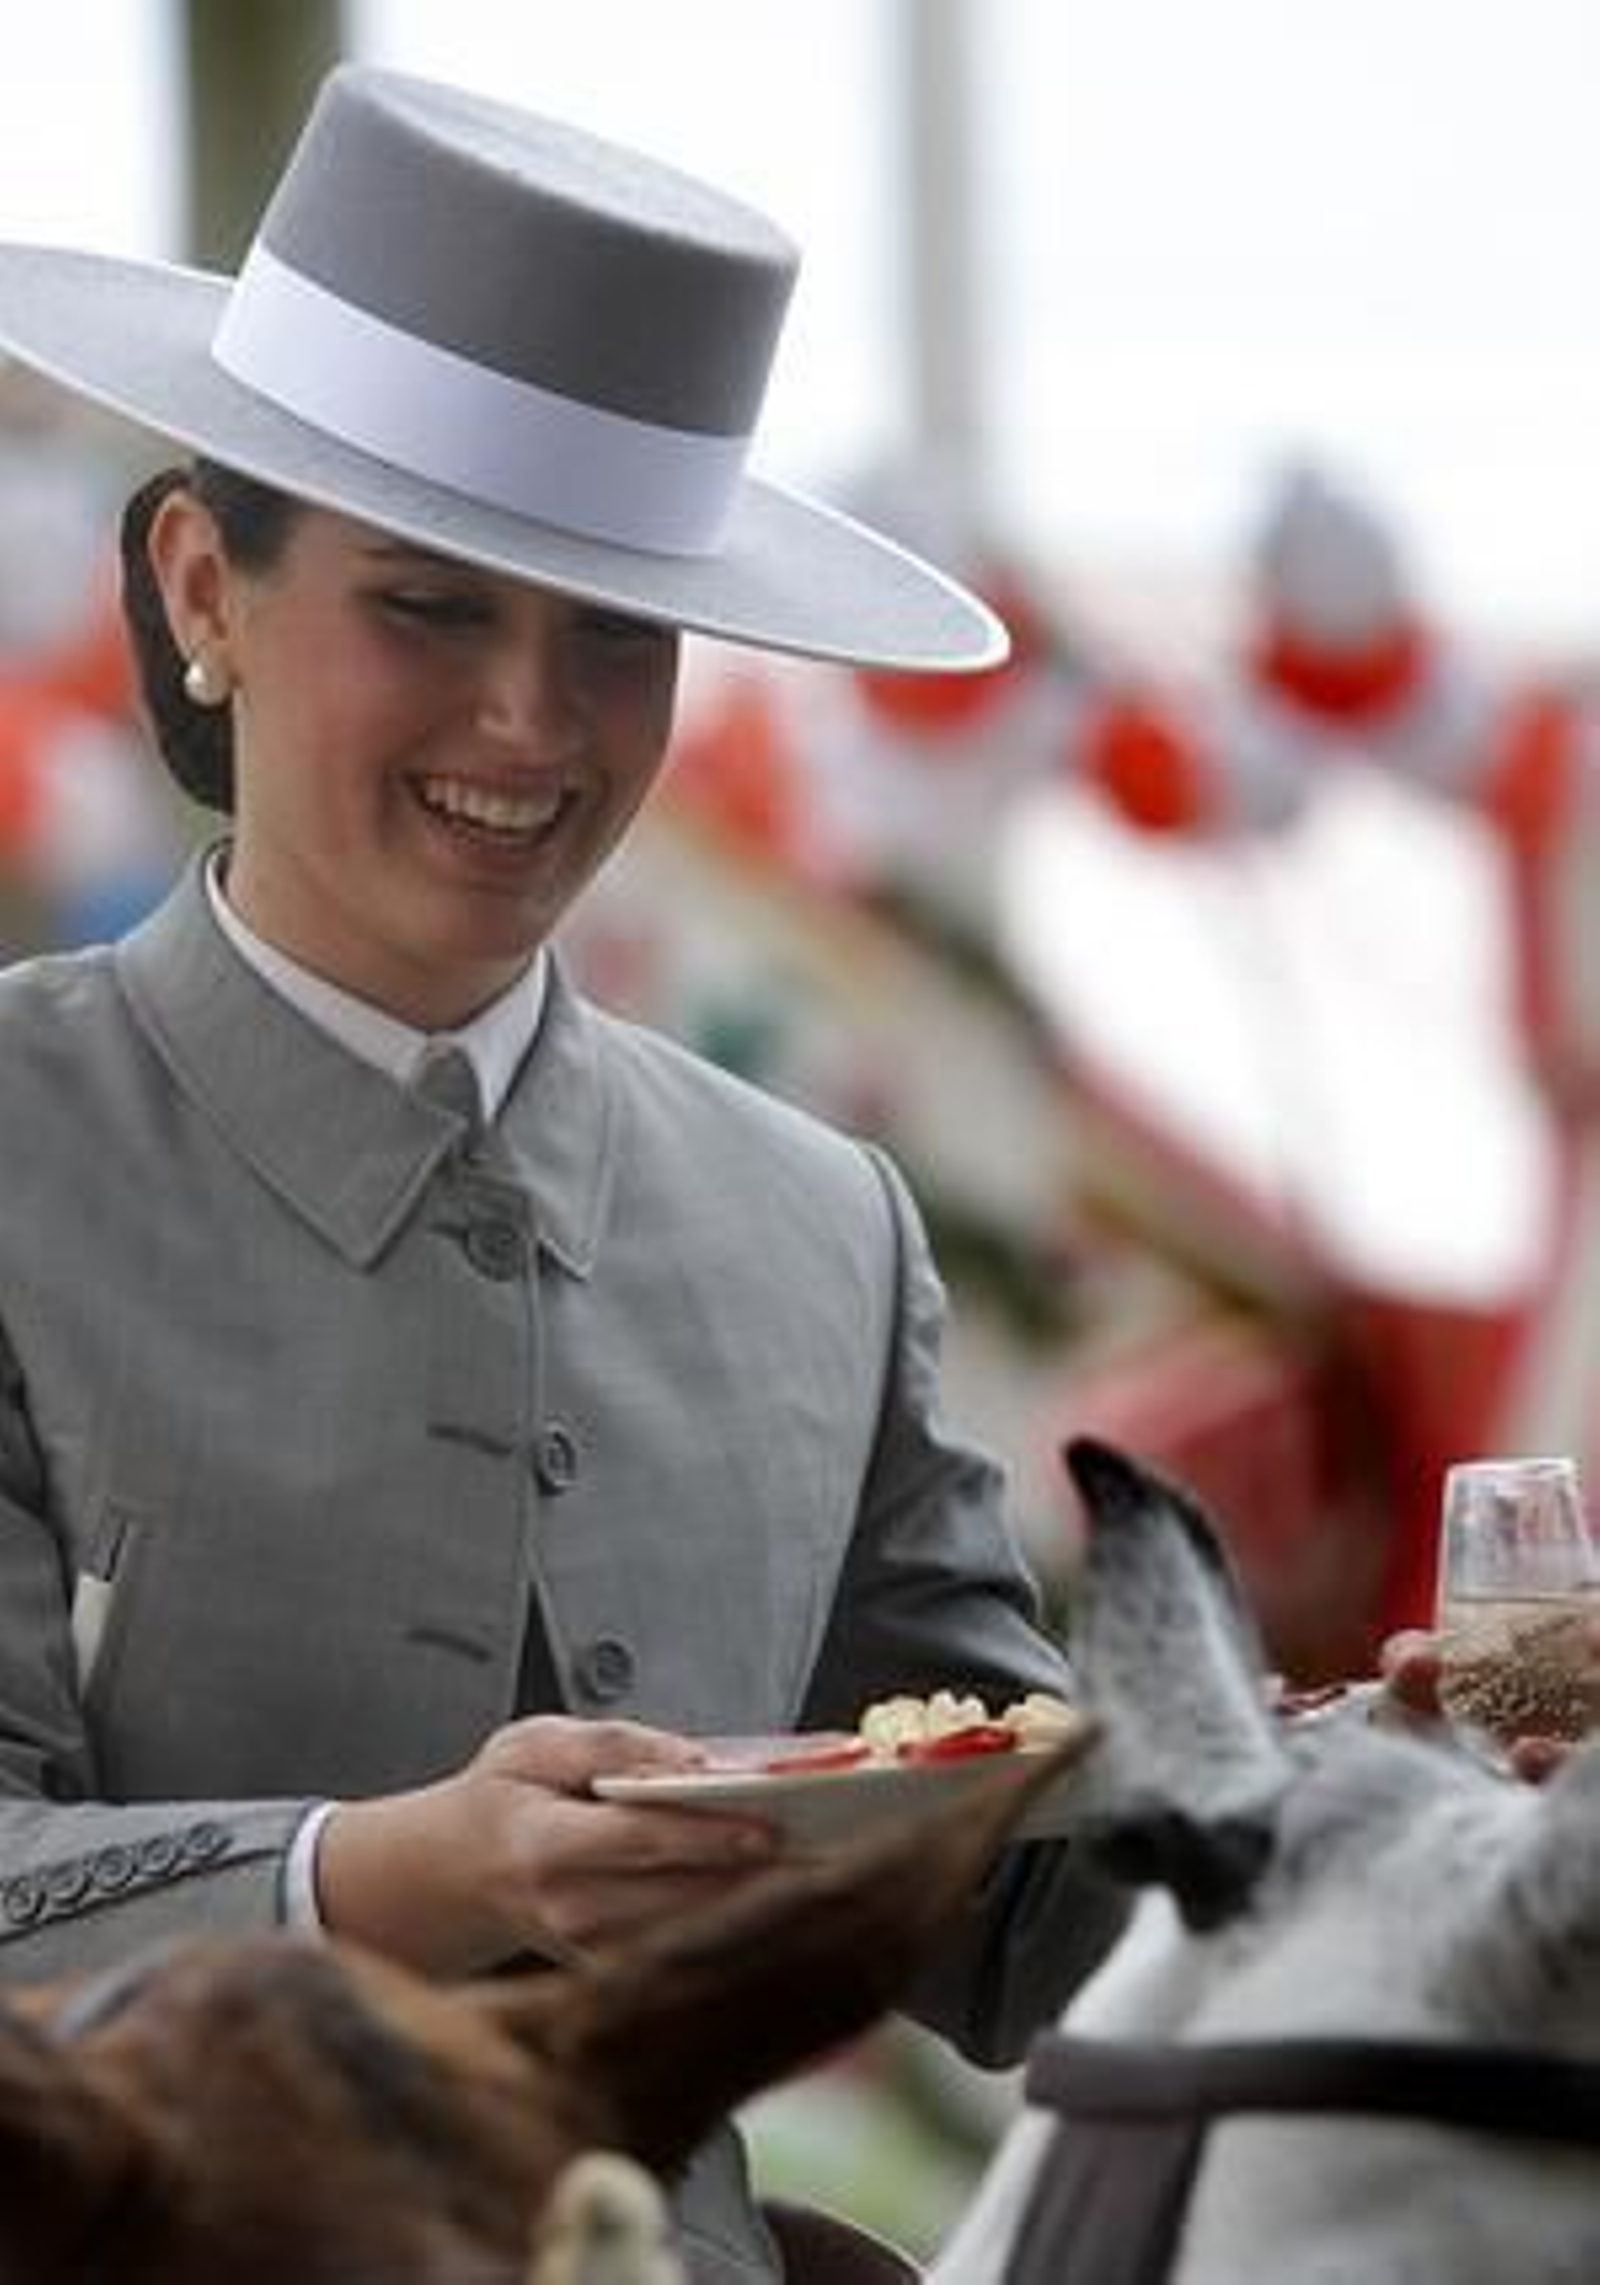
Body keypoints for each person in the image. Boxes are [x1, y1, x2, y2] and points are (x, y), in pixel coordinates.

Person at [0, 61, 1126, 2283]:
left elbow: (1013, 1923)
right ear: (205, 582)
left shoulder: (826, 1218)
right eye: (430, 607)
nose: (533, 719)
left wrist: (1412, 1777)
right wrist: (394, 1868)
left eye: (615, 634)